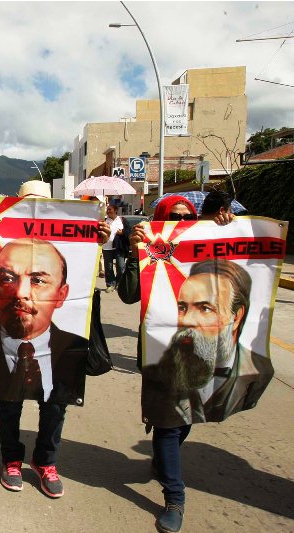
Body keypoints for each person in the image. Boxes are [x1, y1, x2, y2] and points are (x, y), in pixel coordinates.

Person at [0, 179, 110, 498]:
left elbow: (87, 266)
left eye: (39, 281)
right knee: (8, 401)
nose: (22, 292)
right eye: (8, 279)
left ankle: (45, 462)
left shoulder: (68, 342)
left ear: (61, 293)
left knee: (55, 405)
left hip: (63, 347)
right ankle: (11, 460)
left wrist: (97, 240)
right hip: (5, 346)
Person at [117, 194, 233, 532]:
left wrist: (224, 228)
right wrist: (134, 253)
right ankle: (175, 498)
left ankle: (162, 459)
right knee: (169, 424)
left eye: (187, 217)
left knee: (184, 421)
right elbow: (127, 293)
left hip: (199, 350)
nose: (181, 222)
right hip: (160, 352)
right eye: (174, 217)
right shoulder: (148, 244)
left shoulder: (206, 245)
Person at [143, 259, 273, 426]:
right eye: (182, 308)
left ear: (236, 316)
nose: (187, 320)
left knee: (178, 431)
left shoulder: (257, 370)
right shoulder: (161, 366)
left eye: (205, 308)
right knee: (169, 430)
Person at [102, 204, 125, 292]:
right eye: (107, 210)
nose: (108, 211)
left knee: (121, 266)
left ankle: (118, 284)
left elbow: (126, 231)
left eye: (110, 209)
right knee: (108, 267)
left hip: (119, 247)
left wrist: (120, 232)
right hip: (106, 247)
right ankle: (110, 285)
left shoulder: (121, 220)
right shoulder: (104, 220)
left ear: (115, 210)